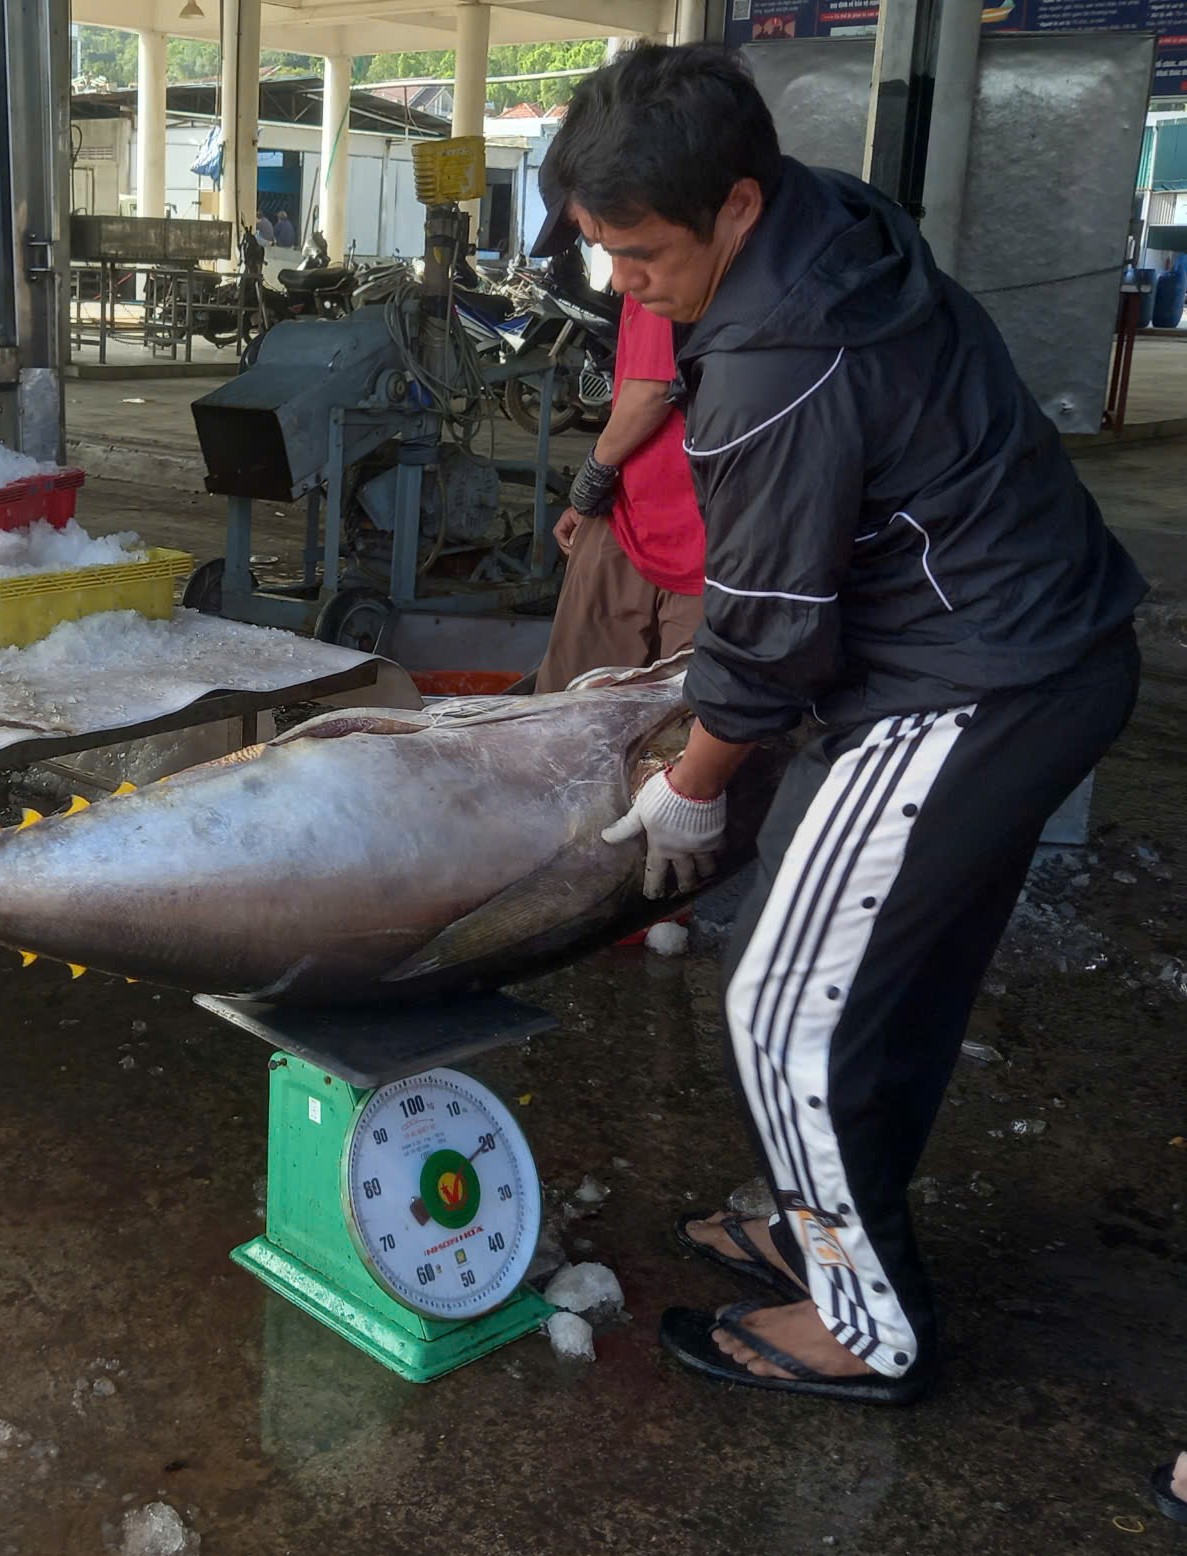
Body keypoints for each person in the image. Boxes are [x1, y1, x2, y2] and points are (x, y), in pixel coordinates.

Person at [545, 44, 1145, 1402]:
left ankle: (864, 1325)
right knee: (879, 981)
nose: (623, 287)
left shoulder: (774, 358)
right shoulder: (831, 221)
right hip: (1042, 649)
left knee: (782, 1009)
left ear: (737, 207)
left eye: (639, 256)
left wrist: (691, 787)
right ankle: (817, 1222)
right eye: (600, 252)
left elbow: (759, 633)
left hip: (977, 685)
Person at [534, 272, 705, 693]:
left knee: (570, 714)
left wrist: (592, 476)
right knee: (679, 724)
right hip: (706, 537)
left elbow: (650, 390)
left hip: (661, 528)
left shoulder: (657, 271)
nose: (617, 274)